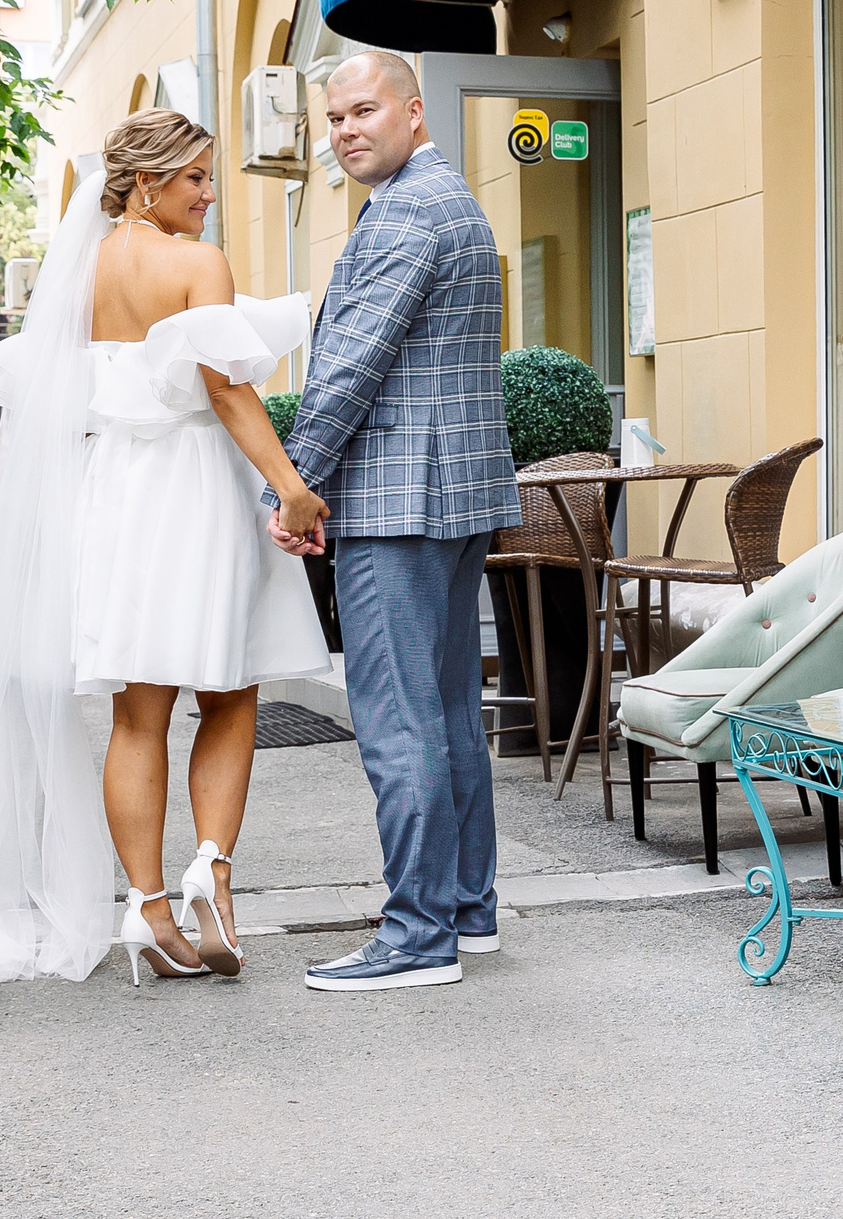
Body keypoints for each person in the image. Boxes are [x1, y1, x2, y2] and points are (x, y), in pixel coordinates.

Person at [0, 110, 330, 986]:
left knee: (136, 712)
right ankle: (213, 875)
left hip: (113, 495)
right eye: (196, 179)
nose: (207, 197)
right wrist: (292, 486)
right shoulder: (196, 265)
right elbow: (227, 394)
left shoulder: (76, 274)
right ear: (149, 182)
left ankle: (148, 907)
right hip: (195, 486)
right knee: (230, 693)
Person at [270, 51, 522, 992]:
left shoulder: (408, 213)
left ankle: (417, 935)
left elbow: (350, 370)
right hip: (453, 498)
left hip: (396, 500)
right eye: (334, 118)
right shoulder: (447, 196)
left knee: (397, 719)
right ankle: (465, 910)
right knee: (449, 709)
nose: (345, 131)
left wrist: (291, 485)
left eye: (363, 111)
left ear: (415, 113)